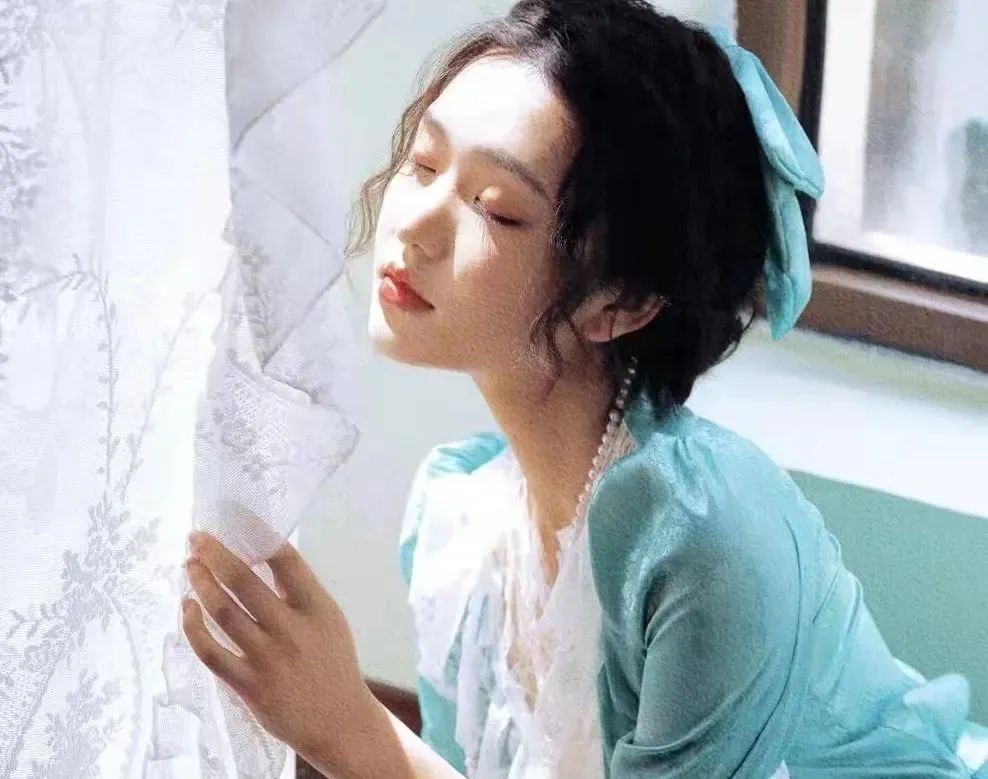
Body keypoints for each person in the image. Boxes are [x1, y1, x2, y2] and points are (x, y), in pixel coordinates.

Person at [181, 1, 988, 776]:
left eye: (496, 210)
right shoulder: (456, 515)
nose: (415, 224)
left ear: (622, 302)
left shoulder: (708, 536)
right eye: (422, 162)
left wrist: (347, 727)